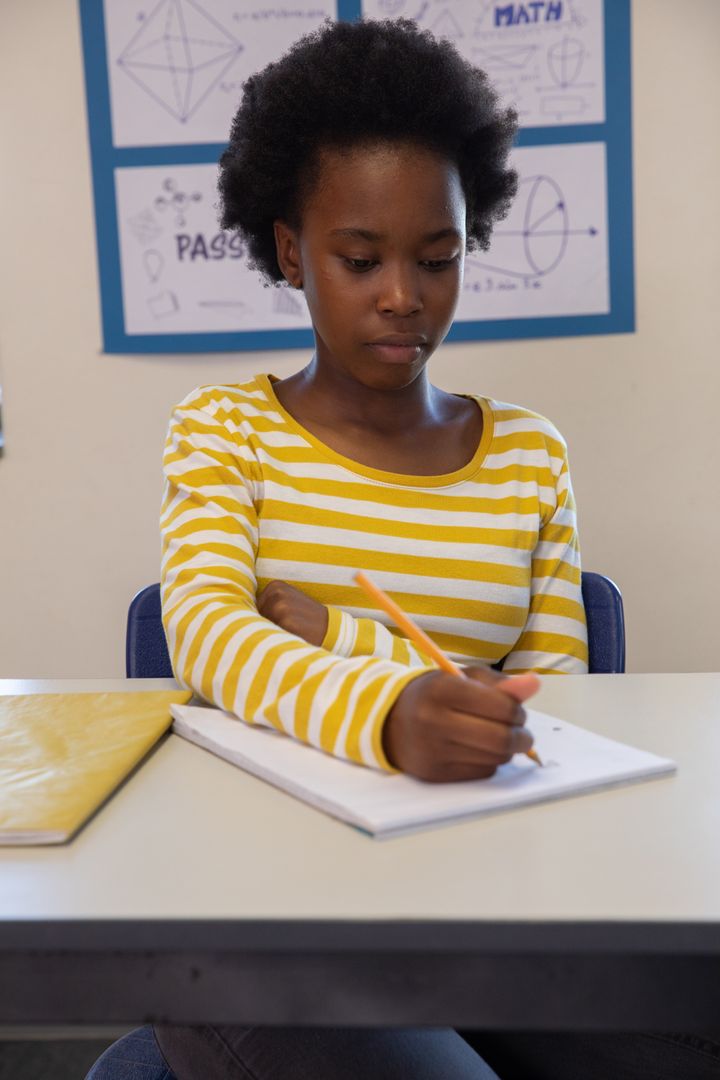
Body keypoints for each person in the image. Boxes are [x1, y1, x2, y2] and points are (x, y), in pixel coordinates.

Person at [85, 15, 720, 1080]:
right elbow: (205, 633)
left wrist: (343, 639)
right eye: (359, 258)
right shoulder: (222, 430)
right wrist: (391, 714)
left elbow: (556, 712)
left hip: (492, 904)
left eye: (437, 258)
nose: (403, 296)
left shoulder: (528, 454)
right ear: (292, 251)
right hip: (262, 918)